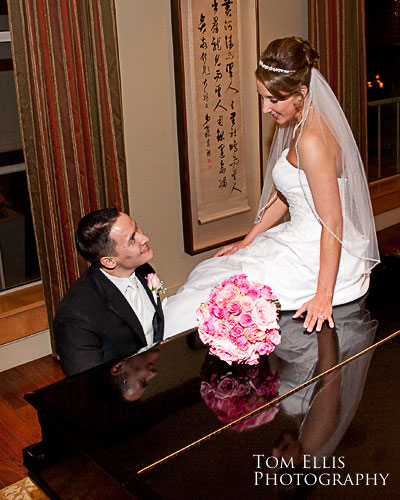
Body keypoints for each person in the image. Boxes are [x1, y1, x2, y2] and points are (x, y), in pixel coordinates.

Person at [164, 36, 379, 337]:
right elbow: (289, 194)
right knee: (210, 284)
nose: (265, 108)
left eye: (273, 99)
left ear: (301, 93)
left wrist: (323, 296)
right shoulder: (302, 125)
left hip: (316, 254)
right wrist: (247, 240)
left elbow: (332, 220)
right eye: (262, 97)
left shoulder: (312, 140)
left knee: (202, 303)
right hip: (303, 239)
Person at [54, 208, 164, 376]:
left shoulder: (143, 269)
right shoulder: (75, 316)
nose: (144, 238)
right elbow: (86, 382)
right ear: (109, 261)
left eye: (137, 228)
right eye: (132, 240)